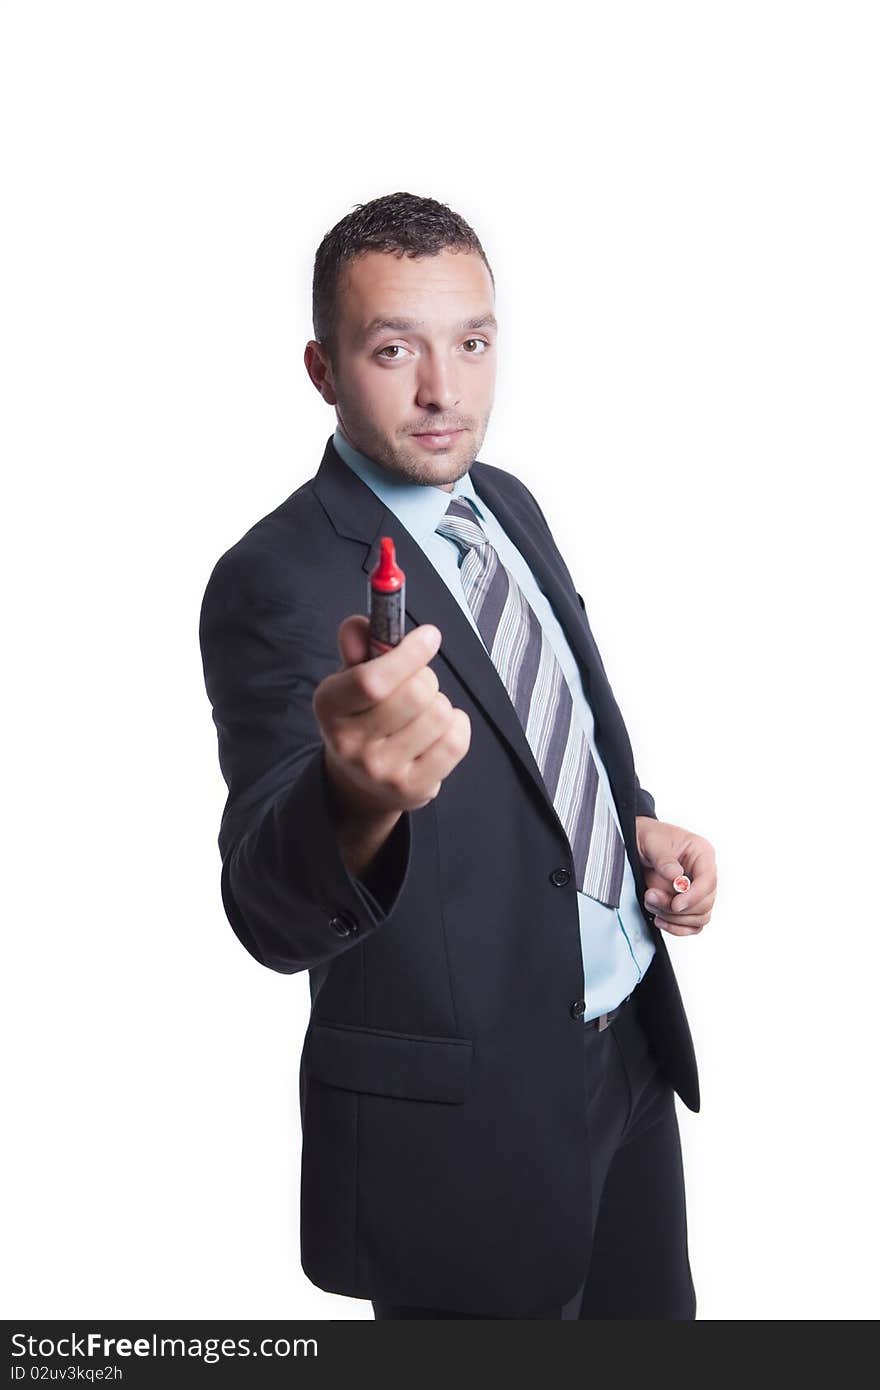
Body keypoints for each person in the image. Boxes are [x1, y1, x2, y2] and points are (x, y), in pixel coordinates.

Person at [198, 191, 717, 1319]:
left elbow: (557, 721)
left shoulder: (509, 504)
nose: (445, 392)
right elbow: (265, 906)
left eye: (472, 345)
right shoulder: (274, 579)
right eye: (395, 351)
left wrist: (630, 821)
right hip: (465, 1129)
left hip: (626, 1046)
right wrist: (351, 798)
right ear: (323, 369)